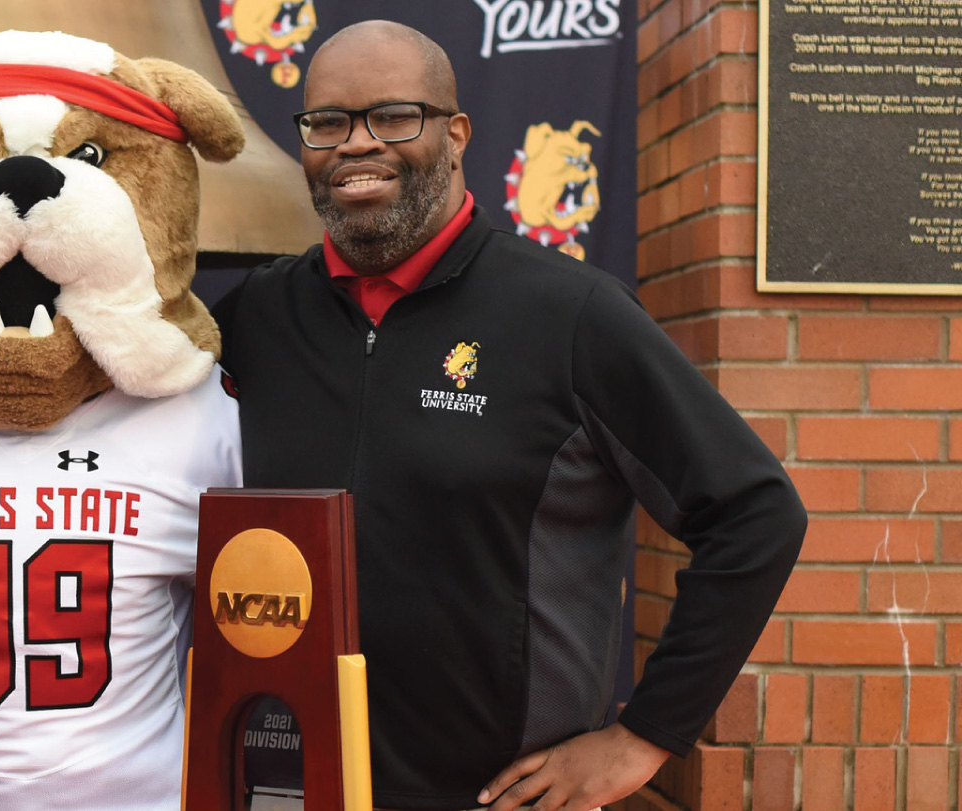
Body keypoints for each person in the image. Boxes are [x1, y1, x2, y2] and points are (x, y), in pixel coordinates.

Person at [212, 21, 806, 811]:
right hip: (291, 781)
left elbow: (755, 512)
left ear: (455, 133)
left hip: (498, 796)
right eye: (328, 123)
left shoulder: (571, 313)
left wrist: (646, 734)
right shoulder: (261, 315)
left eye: (393, 117)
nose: (356, 145)